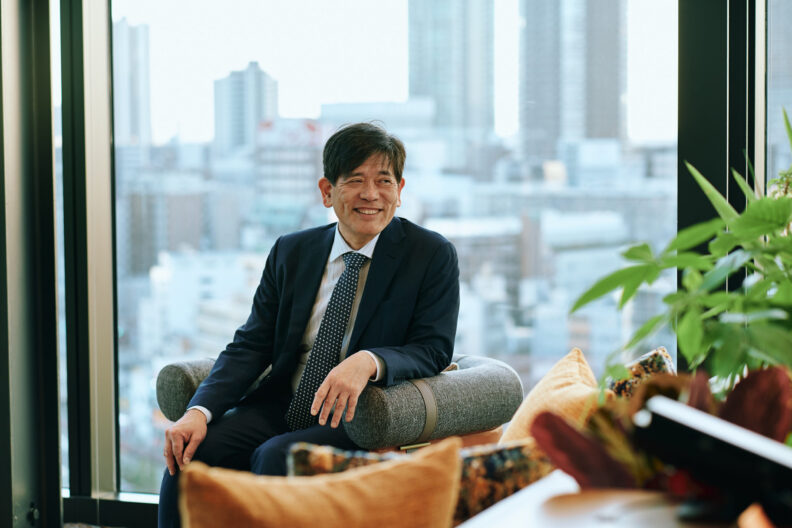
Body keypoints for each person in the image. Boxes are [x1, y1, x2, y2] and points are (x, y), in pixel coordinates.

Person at [157, 122, 460, 527]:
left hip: (357, 418)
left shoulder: (431, 254)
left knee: (276, 457)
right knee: (190, 452)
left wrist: (369, 361)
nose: (371, 194)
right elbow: (251, 345)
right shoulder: (291, 251)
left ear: (400, 190)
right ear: (327, 191)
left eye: (384, 181)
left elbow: (433, 348)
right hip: (284, 403)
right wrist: (199, 411)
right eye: (355, 180)